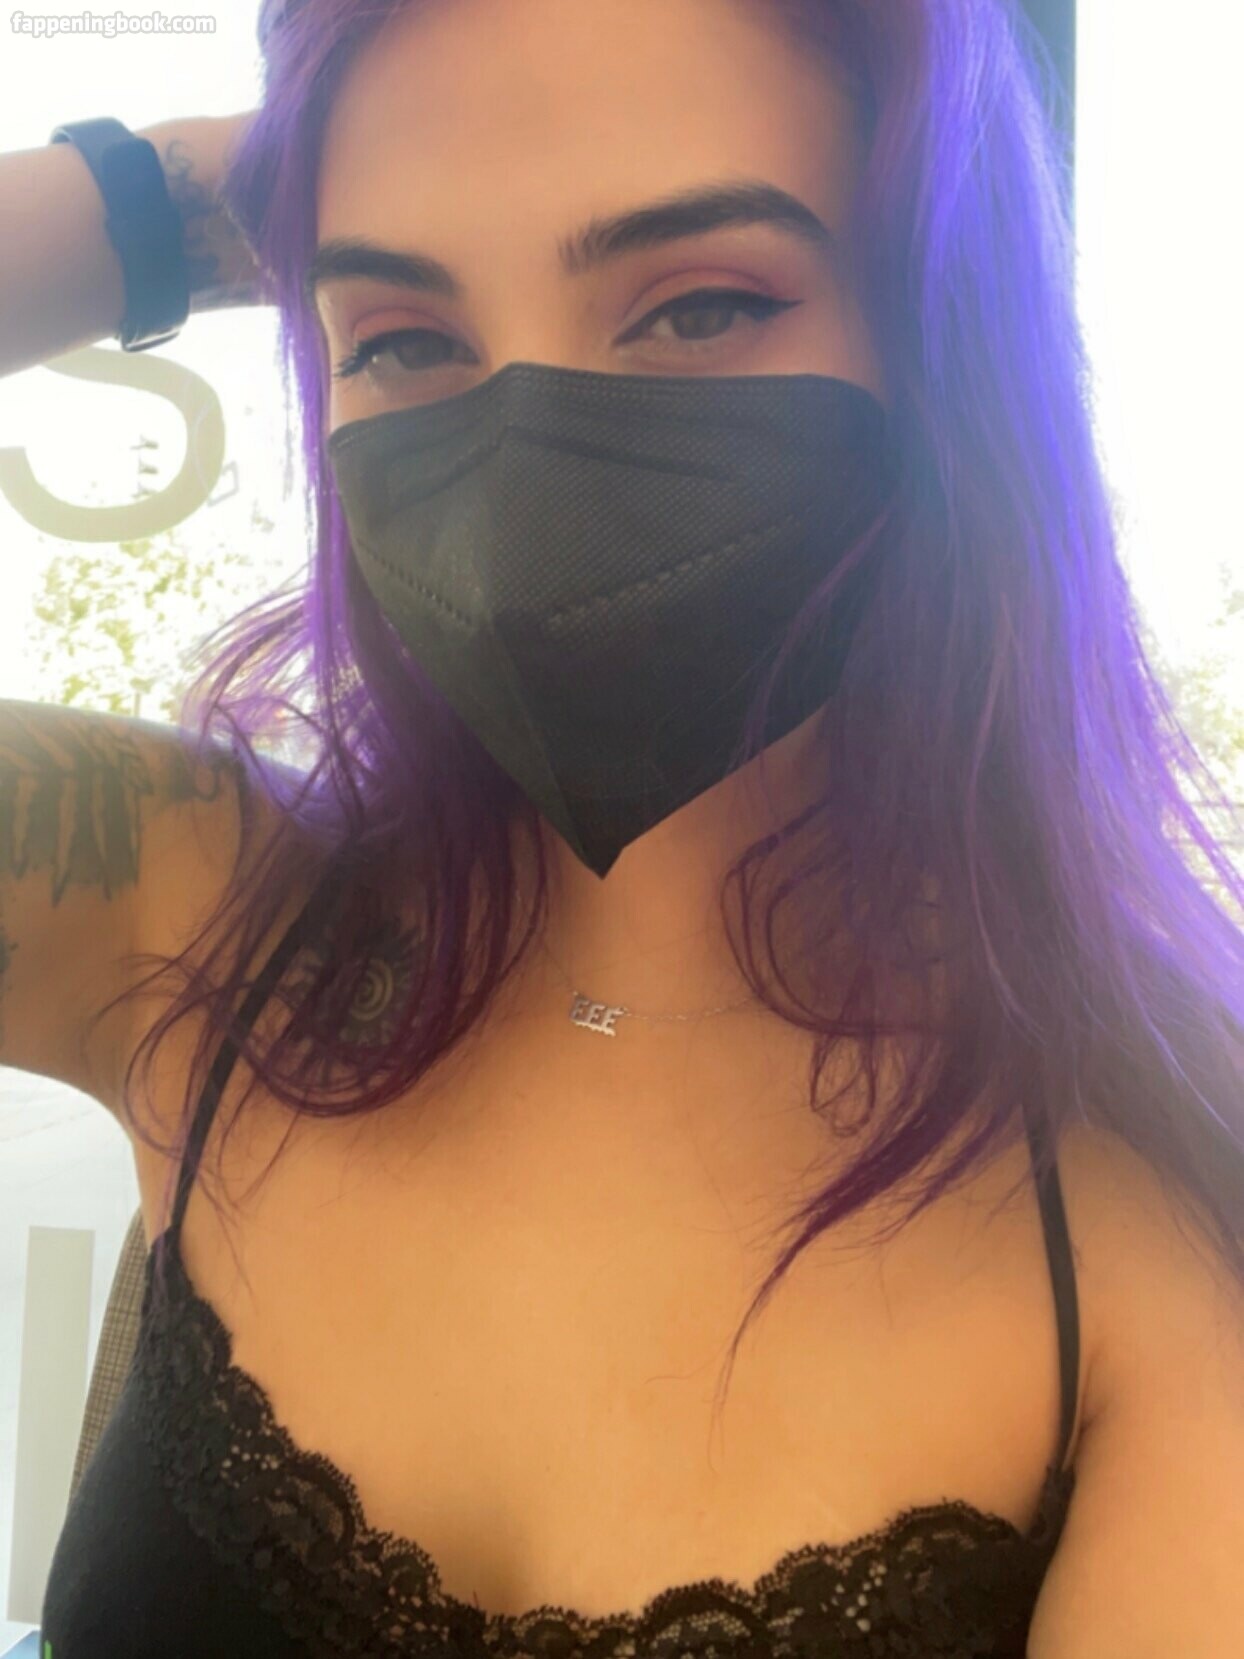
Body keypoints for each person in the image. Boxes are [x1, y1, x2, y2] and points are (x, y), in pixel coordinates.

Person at [3, 0, 1242, 1654]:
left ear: (951, 343)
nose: (526, 467)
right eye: (402, 337)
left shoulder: (1151, 1212)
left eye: (699, 305)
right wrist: (201, 197)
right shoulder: (186, 907)